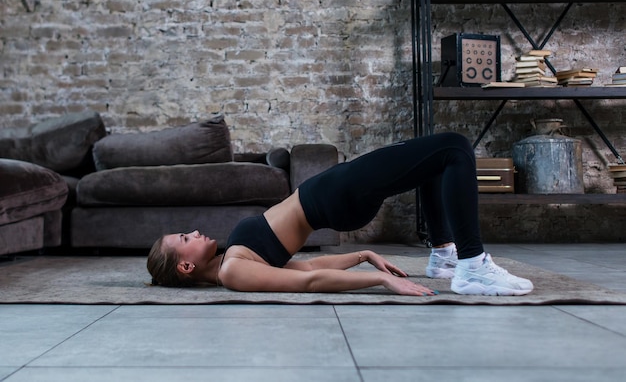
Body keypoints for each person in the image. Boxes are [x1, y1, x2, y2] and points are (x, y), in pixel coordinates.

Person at [147, 132, 533, 296]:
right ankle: (471, 263)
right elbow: (310, 283)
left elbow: (302, 269)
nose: (194, 232)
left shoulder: (234, 259)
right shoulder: (232, 272)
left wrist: (364, 257)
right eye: (185, 239)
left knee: (435, 162)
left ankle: (446, 255)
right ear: (185, 268)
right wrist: (380, 283)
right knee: (453, 149)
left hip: (332, 196)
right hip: (334, 196)